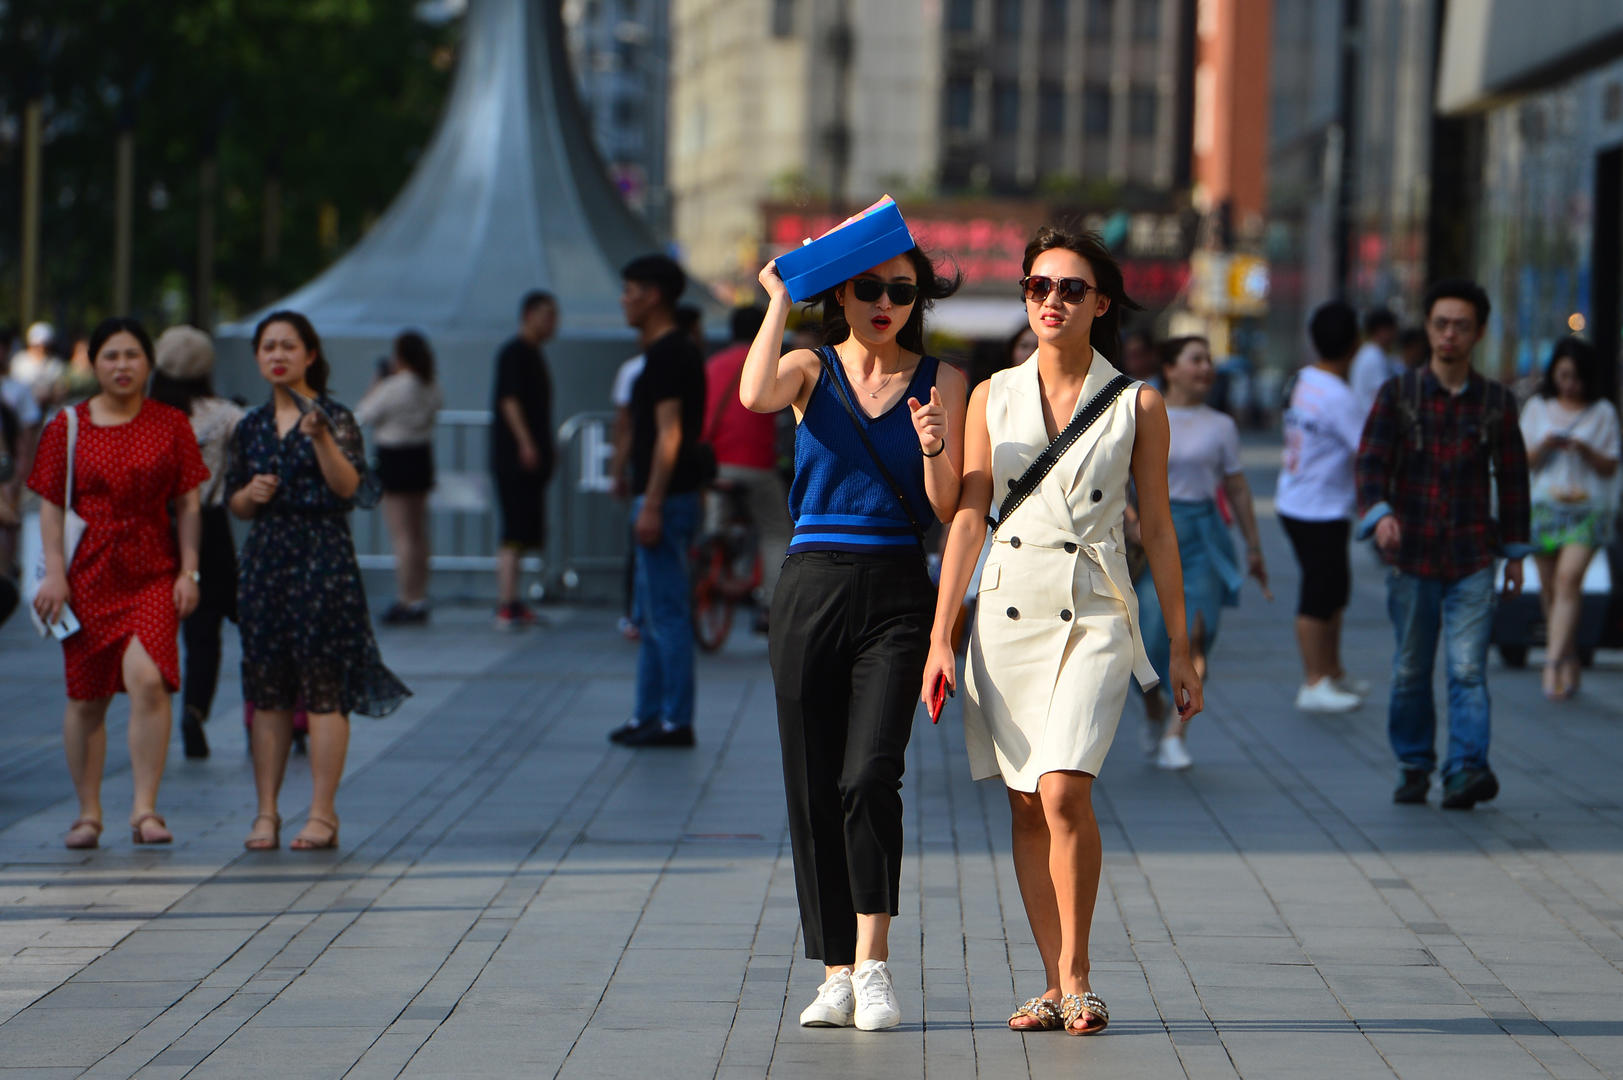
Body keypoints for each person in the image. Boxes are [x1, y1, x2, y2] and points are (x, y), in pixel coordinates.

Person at [922, 226, 1202, 1037]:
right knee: (1021, 804)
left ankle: (1077, 977)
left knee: (1062, 788)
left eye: (1070, 289)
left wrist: (1180, 645)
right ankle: (1049, 982)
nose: (1051, 299)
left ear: (1100, 303)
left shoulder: (1136, 404)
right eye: (1038, 286)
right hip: (1006, 608)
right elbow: (965, 518)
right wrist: (942, 635)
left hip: (1094, 610)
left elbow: (1159, 526)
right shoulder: (988, 395)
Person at [742, 235, 966, 1033]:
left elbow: (945, 507)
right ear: (839, 294)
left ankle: (873, 966)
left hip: (899, 588)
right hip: (810, 583)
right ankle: (833, 969)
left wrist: (936, 445)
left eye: (903, 292)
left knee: (869, 775)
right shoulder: (810, 368)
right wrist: (777, 299)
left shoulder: (944, 380)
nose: (885, 304)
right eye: (869, 288)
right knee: (810, 782)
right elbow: (752, 394)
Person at [228, 311, 409, 851]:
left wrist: (323, 441)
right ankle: (266, 814)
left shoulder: (335, 416)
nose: (277, 355)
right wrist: (250, 495)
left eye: (288, 346)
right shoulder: (251, 426)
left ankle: (322, 814)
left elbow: (351, 487)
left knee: (325, 688)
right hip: (266, 562)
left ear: (310, 355)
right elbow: (235, 502)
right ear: (258, 357)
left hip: (323, 557)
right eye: (268, 347)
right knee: (269, 691)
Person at [27, 317, 207, 848]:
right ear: (94, 363)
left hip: (152, 569)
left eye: (132, 355)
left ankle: (145, 809)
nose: (122, 365)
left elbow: (189, 503)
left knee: (148, 680)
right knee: (87, 698)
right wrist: (55, 573)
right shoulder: (67, 425)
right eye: (111, 355)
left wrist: (188, 570)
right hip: (86, 574)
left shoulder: (171, 423)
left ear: (149, 363)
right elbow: (49, 507)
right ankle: (88, 812)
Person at [1356, 278, 1530, 810]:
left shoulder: (1497, 402)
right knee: (1411, 667)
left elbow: (1515, 478)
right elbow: (1370, 465)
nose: (1449, 334)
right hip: (1411, 557)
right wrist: (1380, 514)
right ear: (1429, 329)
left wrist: (1517, 553)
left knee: (1467, 669)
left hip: (1473, 555)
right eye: (1440, 324)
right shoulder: (1399, 394)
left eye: (1461, 325)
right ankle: (1414, 764)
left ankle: (1466, 770)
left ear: (1477, 333)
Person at [1131, 336, 1268, 770]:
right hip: (1155, 533)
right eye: (1196, 360)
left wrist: (1254, 546)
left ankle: (1177, 732)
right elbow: (1119, 478)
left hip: (1206, 538)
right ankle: (1155, 711)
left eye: (1208, 361)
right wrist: (1132, 521)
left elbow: (1237, 486)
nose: (1205, 368)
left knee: (1196, 635)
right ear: (1170, 368)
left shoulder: (1221, 425)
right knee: (1149, 639)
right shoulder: (1144, 413)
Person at [606, 255, 709, 748]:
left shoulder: (669, 354)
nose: (623, 301)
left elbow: (670, 435)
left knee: (665, 611)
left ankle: (674, 718)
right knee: (651, 611)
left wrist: (651, 501)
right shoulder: (669, 350)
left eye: (629, 291)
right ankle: (649, 713)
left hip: (666, 500)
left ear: (652, 295)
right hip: (665, 496)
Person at [148, 326, 245, 760]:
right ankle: (194, 710)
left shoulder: (141, 414)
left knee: (154, 626)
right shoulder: (226, 415)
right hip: (210, 527)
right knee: (205, 631)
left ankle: (153, 714)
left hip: (151, 528)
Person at [1276, 302, 1366, 713]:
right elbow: (1366, 449)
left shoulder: (1303, 380)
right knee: (1320, 592)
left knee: (1334, 589)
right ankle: (1314, 681)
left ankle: (1332, 673)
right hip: (1318, 507)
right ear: (1356, 345)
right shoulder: (1340, 396)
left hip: (1300, 499)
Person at [1519, 338, 1620, 700]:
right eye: (1563, 375)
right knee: (1550, 587)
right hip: (1544, 506)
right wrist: (1546, 445)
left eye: (1576, 377)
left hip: (1587, 509)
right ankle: (1569, 656)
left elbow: (1611, 465)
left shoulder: (1603, 411)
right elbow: (1520, 460)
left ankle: (1551, 662)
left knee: (1568, 579)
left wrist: (1586, 449)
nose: (1569, 384)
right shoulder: (1536, 407)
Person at [701, 306, 793, 629]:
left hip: (716, 467)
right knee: (776, 531)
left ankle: (712, 560)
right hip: (756, 466)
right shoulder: (770, 365)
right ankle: (768, 604)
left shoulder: (713, 365)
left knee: (714, 522)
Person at [357, 330, 443, 625]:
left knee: (401, 535)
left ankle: (406, 597)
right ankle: (420, 594)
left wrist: (377, 382)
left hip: (394, 457)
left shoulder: (394, 387)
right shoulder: (429, 384)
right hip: (421, 457)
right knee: (419, 532)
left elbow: (364, 413)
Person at [489, 291, 558, 630]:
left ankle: (513, 600)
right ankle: (506, 603)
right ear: (529, 314)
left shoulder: (533, 355)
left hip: (528, 459)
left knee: (524, 530)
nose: (552, 324)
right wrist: (526, 443)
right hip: (514, 460)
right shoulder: (514, 353)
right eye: (547, 315)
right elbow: (509, 400)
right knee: (513, 532)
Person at [1350, 307, 1400, 418]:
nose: (1394, 334)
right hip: (1368, 420)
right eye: (1392, 329)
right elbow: (1382, 395)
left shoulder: (1369, 352)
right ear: (1381, 330)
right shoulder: (1373, 356)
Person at [11, 322, 66, 409]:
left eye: (44, 345)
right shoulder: (19, 361)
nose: (40, 349)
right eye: (36, 346)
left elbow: (60, 391)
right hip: (22, 409)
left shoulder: (56, 364)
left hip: (48, 409)